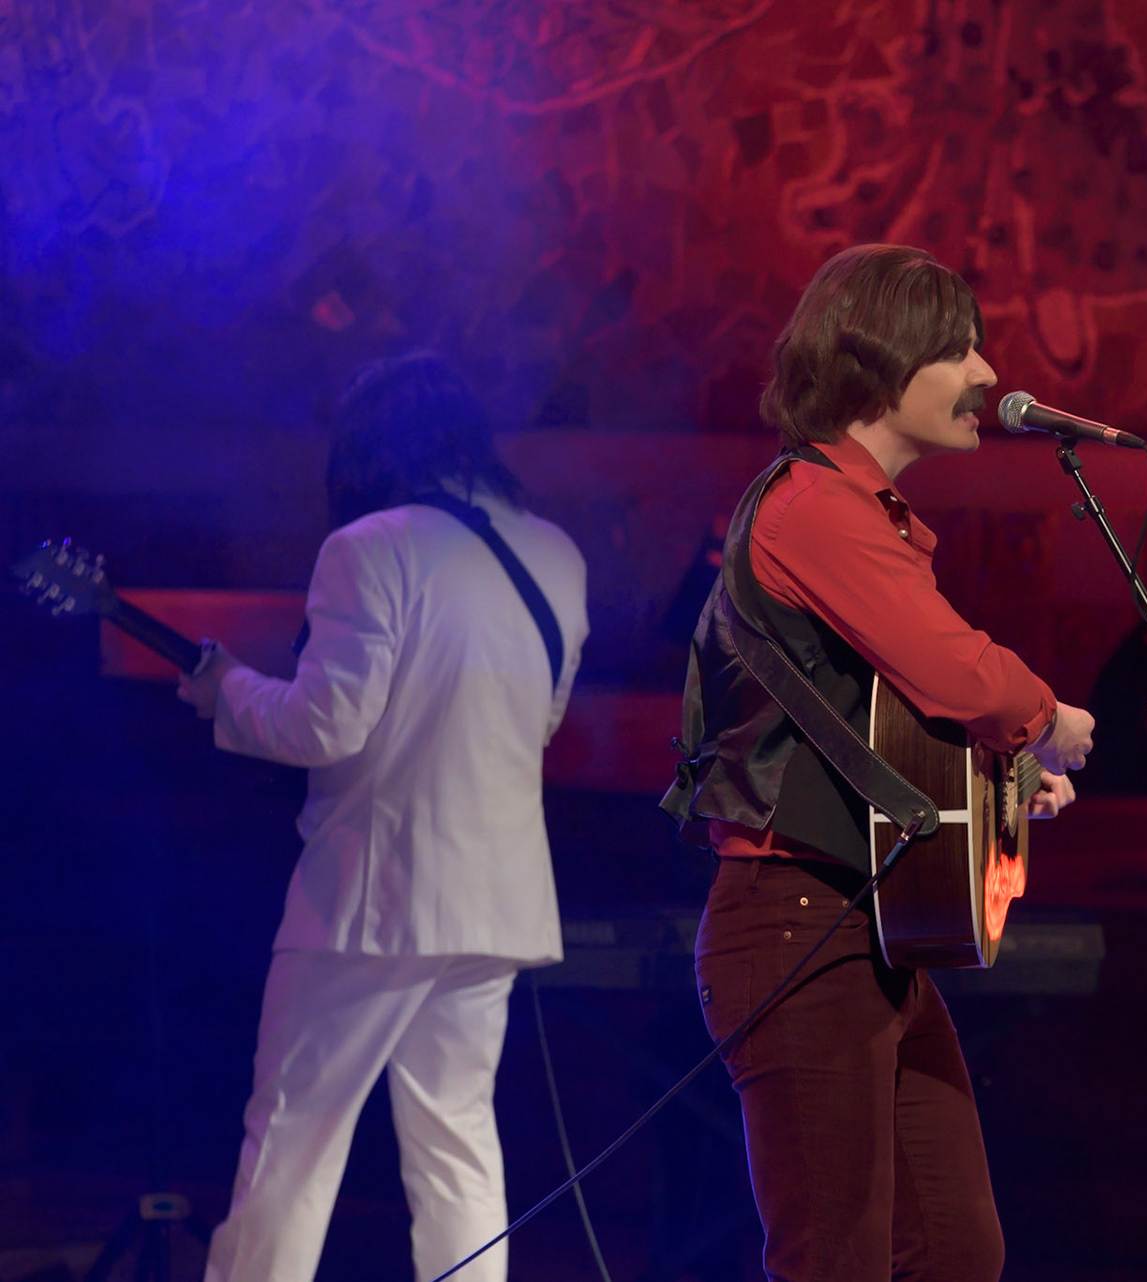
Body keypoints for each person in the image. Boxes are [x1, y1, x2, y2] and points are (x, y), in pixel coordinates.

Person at [662, 243, 1096, 1282]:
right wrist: (1046, 721)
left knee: (953, 1248)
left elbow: (885, 721)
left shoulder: (861, 518)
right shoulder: (814, 508)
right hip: (797, 922)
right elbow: (958, 676)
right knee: (839, 1257)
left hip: (871, 926)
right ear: (879, 356)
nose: (989, 376)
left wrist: (997, 778)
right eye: (959, 348)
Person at [176, 352, 589, 1282]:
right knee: (458, 1154)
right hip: (498, 900)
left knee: (291, 1144)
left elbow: (326, 723)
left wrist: (225, 692)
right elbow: (543, 721)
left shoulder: (369, 547)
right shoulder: (554, 553)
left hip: (371, 901)